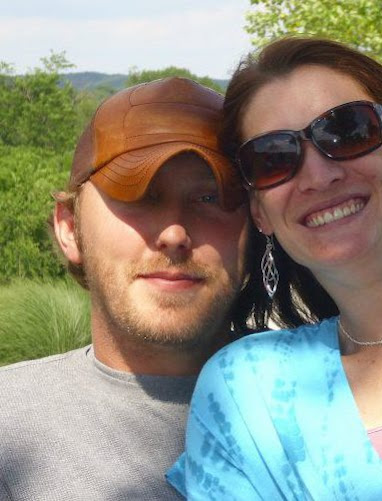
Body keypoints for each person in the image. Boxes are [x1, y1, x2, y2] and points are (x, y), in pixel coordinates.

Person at [167, 37, 382, 500]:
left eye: (347, 131)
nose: (319, 176)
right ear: (260, 212)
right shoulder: (248, 395)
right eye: (273, 158)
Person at [0, 77, 255, 500]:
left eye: (210, 198)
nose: (174, 234)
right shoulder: (9, 425)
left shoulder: (334, 396)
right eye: (139, 197)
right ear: (69, 228)